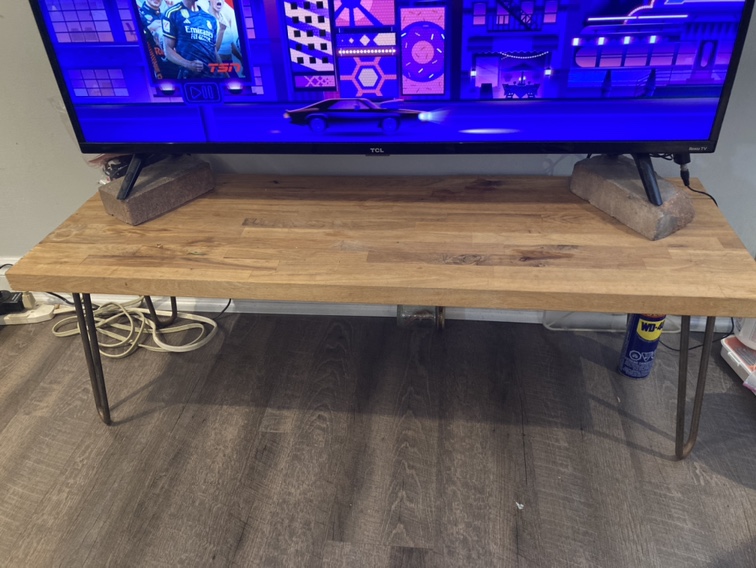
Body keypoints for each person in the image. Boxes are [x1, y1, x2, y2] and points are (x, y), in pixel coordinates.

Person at [163, 0, 226, 78]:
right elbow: (168, 50)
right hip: (189, 77)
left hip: (214, 77)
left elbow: (213, 50)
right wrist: (188, 64)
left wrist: (225, 74)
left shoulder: (210, 19)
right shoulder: (172, 13)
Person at [137, 0, 180, 78]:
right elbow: (135, 41)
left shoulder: (165, 16)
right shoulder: (139, 15)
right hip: (156, 71)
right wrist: (149, 29)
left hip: (174, 68)